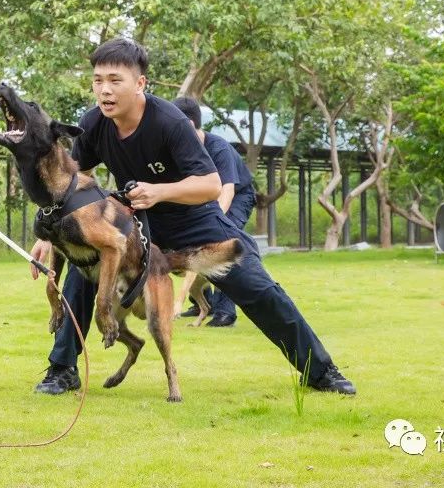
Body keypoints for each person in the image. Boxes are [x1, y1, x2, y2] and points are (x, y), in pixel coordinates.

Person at [32, 38, 356, 396]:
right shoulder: (93, 123)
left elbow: (210, 184)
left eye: (114, 80)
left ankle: (321, 372)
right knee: (84, 272)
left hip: (194, 222)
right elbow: (75, 183)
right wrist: (51, 234)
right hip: (138, 226)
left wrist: (159, 191)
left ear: (140, 83)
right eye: (97, 80)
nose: (104, 90)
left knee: (259, 289)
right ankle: (62, 369)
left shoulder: (169, 121)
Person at [172, 96, 256, 327]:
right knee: (191, 243)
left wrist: (211, 222)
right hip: (205, 198)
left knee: (222, 240)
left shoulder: (218, 148)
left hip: (239, 195)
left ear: (188, 125)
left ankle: (225, 312)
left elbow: (227, 190)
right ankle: (201, 302)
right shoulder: (180, 150)